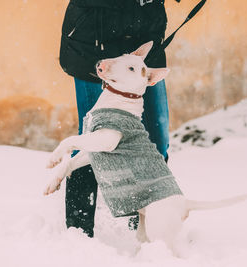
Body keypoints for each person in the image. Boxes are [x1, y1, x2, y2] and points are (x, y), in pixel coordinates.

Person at [59, 0, 170, 238]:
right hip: (95, 39)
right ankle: (78, 231)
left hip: (144, 40)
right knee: (92, 137)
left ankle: (147, 225)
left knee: (156, 140)